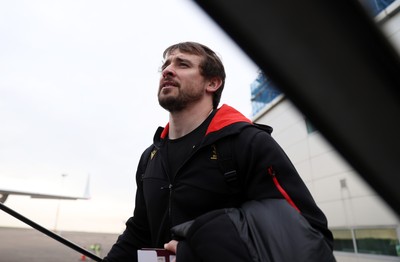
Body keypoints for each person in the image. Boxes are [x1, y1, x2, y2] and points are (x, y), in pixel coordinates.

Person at [103, 42, 334, 261]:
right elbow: (140, 230)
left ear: (212, 83)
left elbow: (308, 233)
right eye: (165, 65)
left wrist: (195, 253)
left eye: (182, 64)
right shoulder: (150, 157)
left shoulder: (248, 143)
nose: (167, 71)